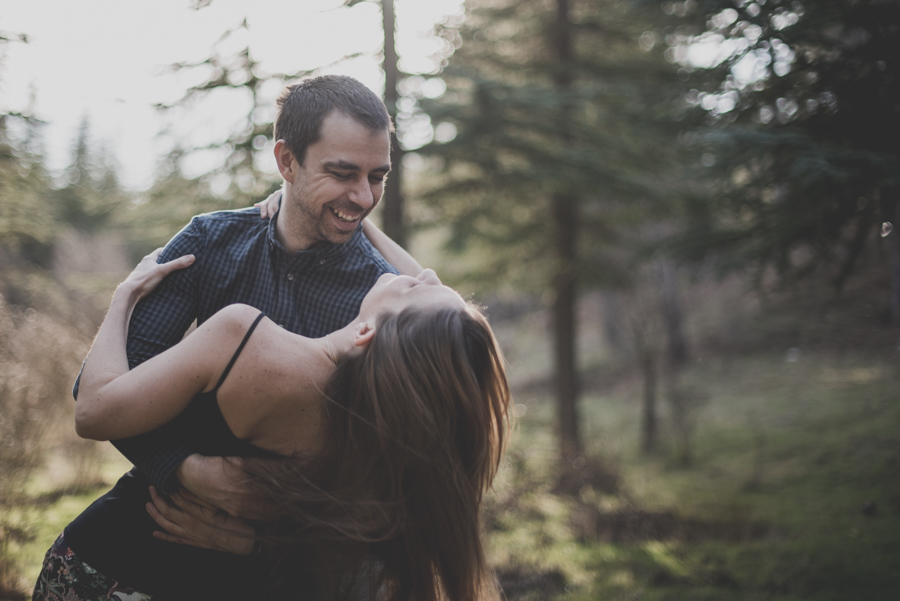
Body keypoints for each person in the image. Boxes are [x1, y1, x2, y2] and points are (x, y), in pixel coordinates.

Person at [33, 74, 423, 600]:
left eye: (378, 176)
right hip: (147, 537)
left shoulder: (382, 299)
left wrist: (265, 534)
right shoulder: (209, 242)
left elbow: (388, 474)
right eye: (342, 173)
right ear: (286, 162)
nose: (363, 196)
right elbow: (103, 395)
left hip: (291, 566)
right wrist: (189, 470)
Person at [37, 249, 511, 601]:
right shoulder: (392, 435)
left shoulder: (242, 339)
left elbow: (93, 410)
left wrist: (122, 299)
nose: (422, 271)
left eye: (417, 286)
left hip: (105, 571)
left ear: (368, 333)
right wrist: (257, 546)